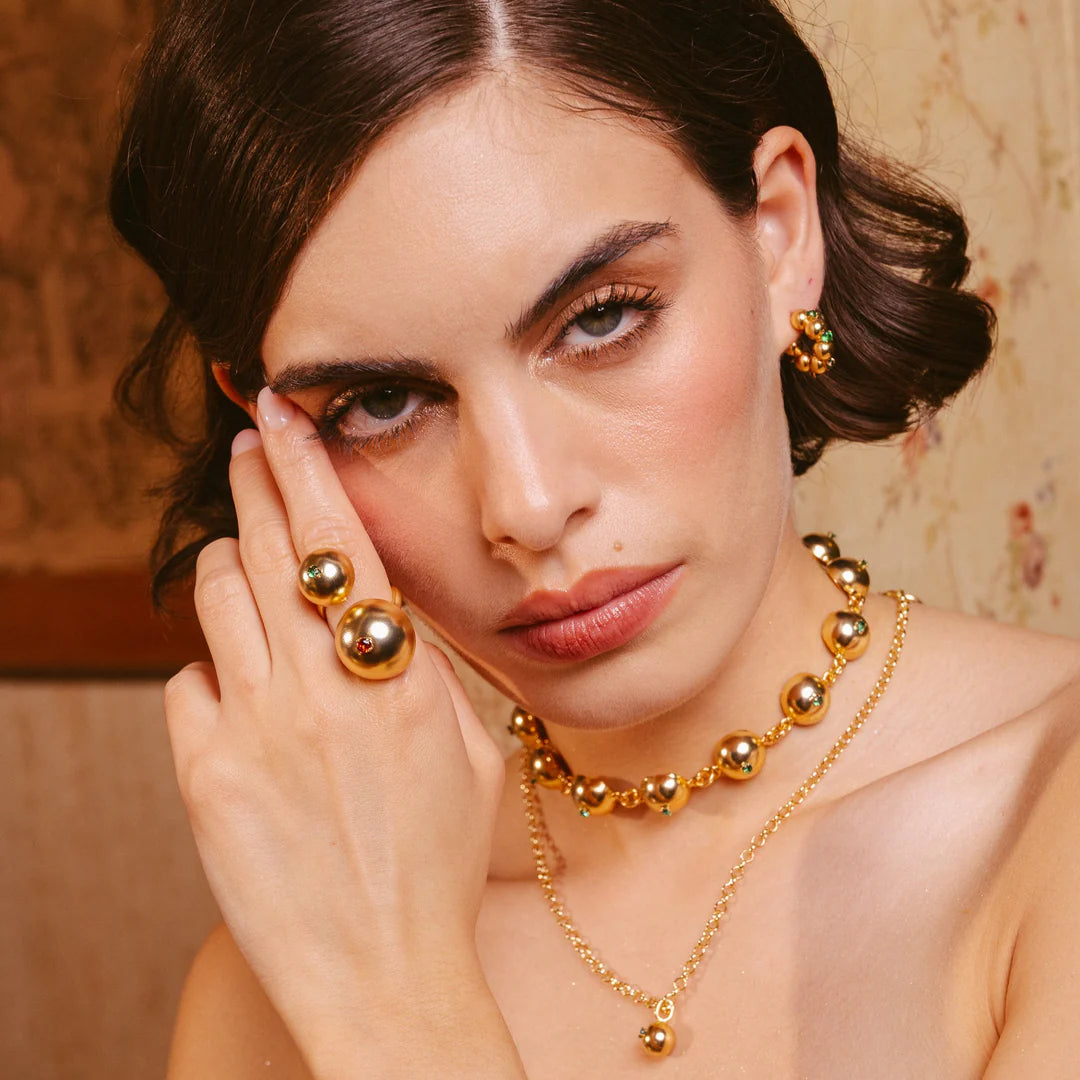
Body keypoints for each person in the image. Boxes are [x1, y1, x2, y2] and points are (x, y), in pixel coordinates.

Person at [109, 1, 1080, 1076]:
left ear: (779, 231)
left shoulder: (1051, 811)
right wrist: (380, 981)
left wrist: (398, 1020)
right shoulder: (293, 977)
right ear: (272, 438)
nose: (525, 505)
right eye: (381, 402)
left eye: (602, 317)